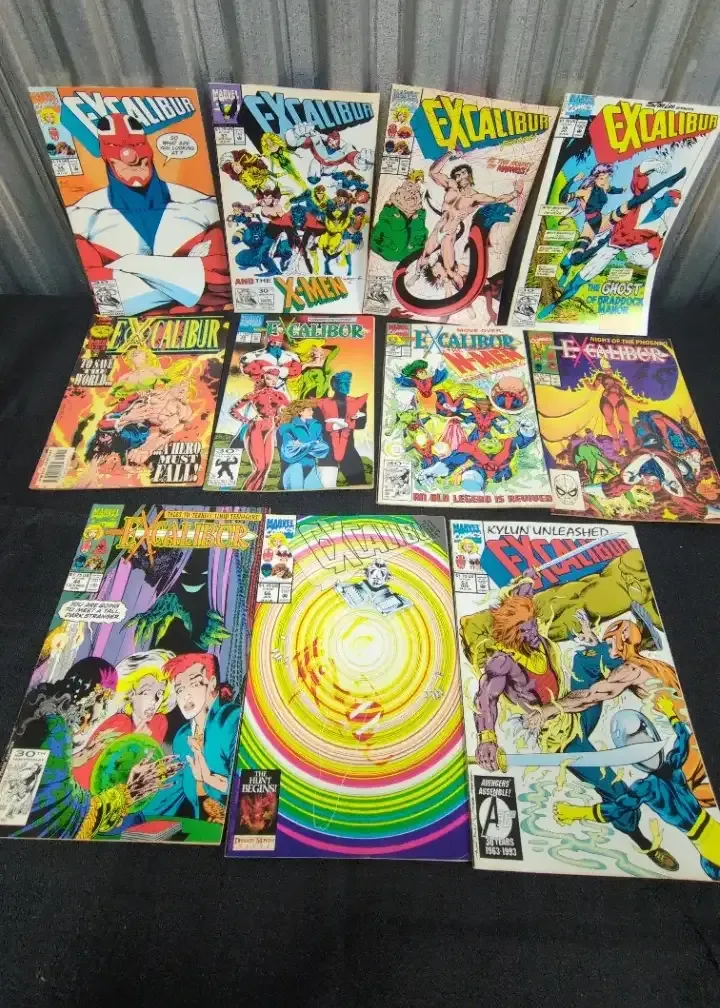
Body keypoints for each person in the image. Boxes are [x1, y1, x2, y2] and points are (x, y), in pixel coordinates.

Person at [67, 113, 228, 315]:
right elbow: (107, 298)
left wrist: (128, 266)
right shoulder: (84, 213)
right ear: (107, 157)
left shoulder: (201, 205)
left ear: (149, 150)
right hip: (135, 318)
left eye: (136, 146)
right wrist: (190, 283)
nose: (130, 157)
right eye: (116, 147)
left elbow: (221, 276)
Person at [7, 657, 177, 839]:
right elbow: (61, 817)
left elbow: (41, 783)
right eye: (102, 700)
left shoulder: (47, 718)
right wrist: (128, 793)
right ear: (87, 696)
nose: (102, 712)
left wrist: (82, 755)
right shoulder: (56, 729)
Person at [554, 696, 720, 879]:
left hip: (709, 838)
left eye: (646, 743)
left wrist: (578, 812)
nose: (648, 753)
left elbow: (683, 739)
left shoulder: (665, 770)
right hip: (706, 840)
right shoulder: (652, 781)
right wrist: (577, 812)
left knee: (711, 869)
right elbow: (616, 809)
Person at [141, 653, 241, 824]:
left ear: (212, 683)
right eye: (180, 689)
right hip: (202, 829)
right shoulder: (182, 737)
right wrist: (138, 793)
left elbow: (250, 789)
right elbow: (172, 792)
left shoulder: (231, 720)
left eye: (194, 684)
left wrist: (209, 778)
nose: (185, 696)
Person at [72, 649, 175, 790]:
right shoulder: (119, 723)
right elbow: (93, 777)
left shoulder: (159, 723)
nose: (154, 701)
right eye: (146, 692)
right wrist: (132, 743)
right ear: (131, 693)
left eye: (160, 693)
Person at [314, 372, 368, 487]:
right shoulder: (321, 403)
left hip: (349, 450)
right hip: (328, 452)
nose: (347, 385)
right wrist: (346, 422)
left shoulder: (358, 402)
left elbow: (361, 424)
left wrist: (337, 422)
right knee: (326, 487)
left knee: (359, 485)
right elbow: (318, 425)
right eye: (343, 383)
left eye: (348, 382)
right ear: (334, 385)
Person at [276, 400, 330, 489]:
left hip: (312, 467)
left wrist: (302, 446)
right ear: (300, 412)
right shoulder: (289, 428)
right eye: (309, 410)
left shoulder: (315, 426)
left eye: (312, 410)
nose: (312, 412)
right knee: (296, 493)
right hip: (294, 468)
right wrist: (313, 444)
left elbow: (324, 448)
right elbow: (289, 450)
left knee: (315, 493)